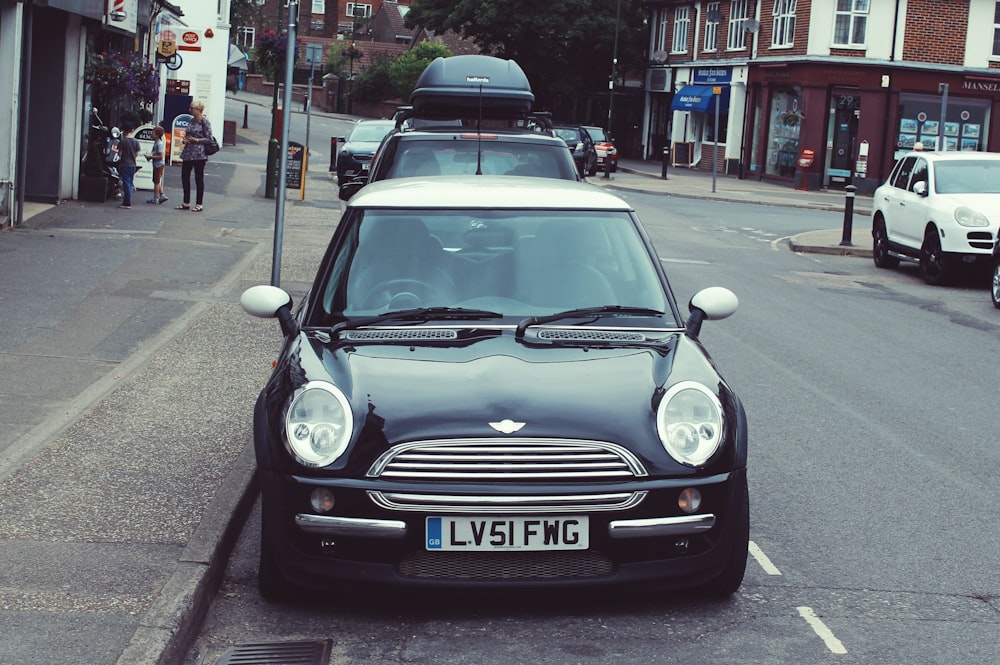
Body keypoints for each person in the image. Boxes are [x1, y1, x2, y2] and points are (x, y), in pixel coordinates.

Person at [176, 100, 212, 212]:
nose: (190, 110)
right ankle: (186, 202)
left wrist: (195, 139)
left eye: (192, 108)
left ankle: (199, 204)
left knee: (198, 178)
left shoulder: (204, 122)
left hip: (199, 154)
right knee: (185, 177)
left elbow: (209, 139)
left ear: (198, 110)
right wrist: (186, 140)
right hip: (188, 152)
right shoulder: (191, 121)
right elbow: (188, 134)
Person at [117, 123, 141, 209]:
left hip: (124, 164)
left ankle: (127, 202)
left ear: (124, 131)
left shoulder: (123, 141)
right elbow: (137, 153)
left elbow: (120, 153)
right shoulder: (136, 141)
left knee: (126, 183)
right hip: (133, 165)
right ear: (132, 130)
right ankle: (127, 200)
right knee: (130, 182)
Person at [145, 125, 167, 204]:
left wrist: (151, 157)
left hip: (158, 165)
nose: (151, 134)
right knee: (156, 181)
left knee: (156, 182)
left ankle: (156, 198)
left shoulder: (159, 144)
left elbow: (161, 156)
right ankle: (162, 195)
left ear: (157, 135)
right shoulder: (156, 143)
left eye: (153, 133)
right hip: (157, 164)